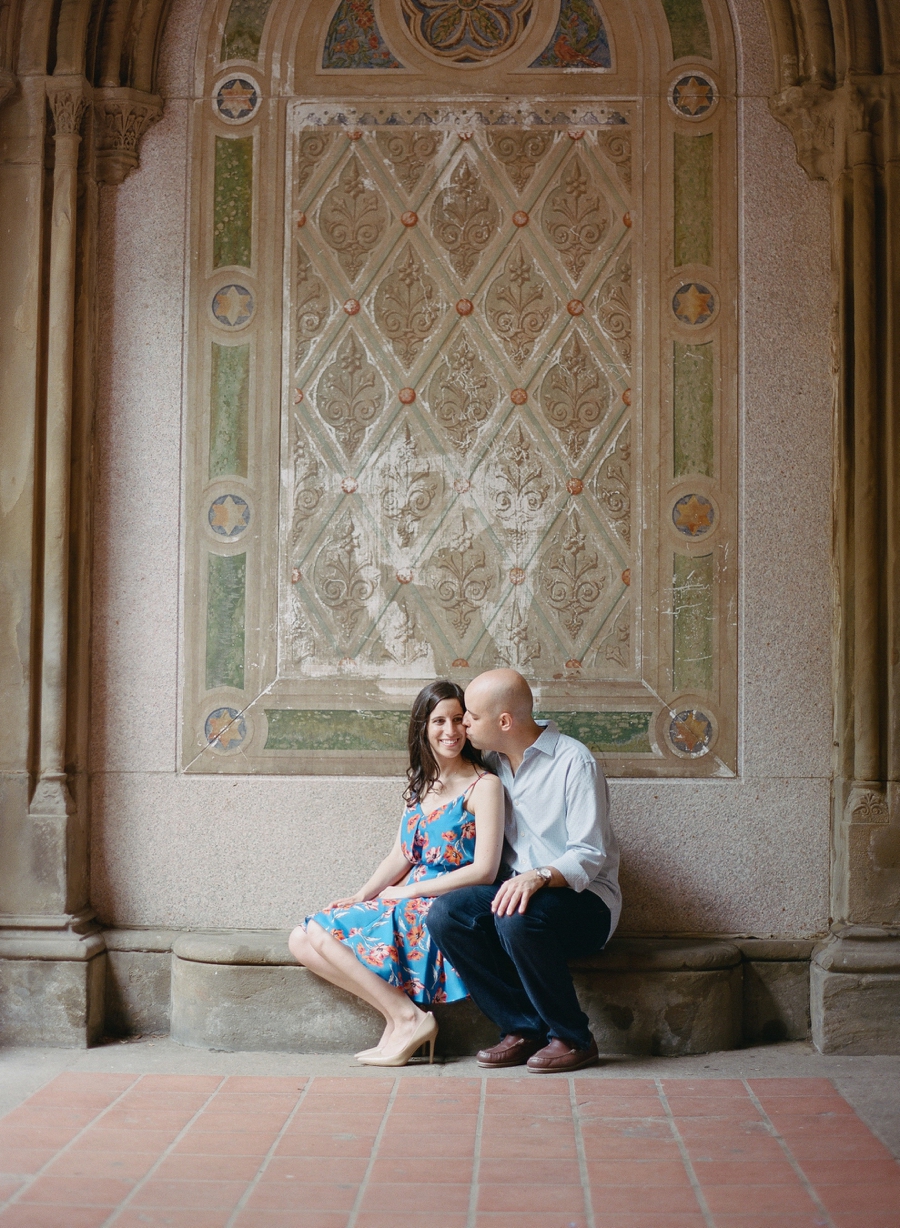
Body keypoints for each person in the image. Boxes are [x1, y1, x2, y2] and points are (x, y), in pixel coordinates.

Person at [288, 680, 505, 1067]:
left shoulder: (484, 786)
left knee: (320, 931)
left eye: (459, 720)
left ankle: (410, 1019)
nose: (450, 731)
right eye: (439, 721)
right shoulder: (420, 785)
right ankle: (396, 1015)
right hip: (409, 895)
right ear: (423, 727)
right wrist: (363, 894)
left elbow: (485, 870)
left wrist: (406, 893)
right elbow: (400, 854)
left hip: (447, 902)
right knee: (299, 940)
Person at [426, 668, 621, 1073]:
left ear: (504, 721)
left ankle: (574, 1038)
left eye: (471, 717)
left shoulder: (574, 761)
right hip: (519, 897)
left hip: (585, 904)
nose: (463, 724)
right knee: (447, 914)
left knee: (516, 915)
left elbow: (589, 853)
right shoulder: (492, 765)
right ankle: (522, 1027)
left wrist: (539, 875)